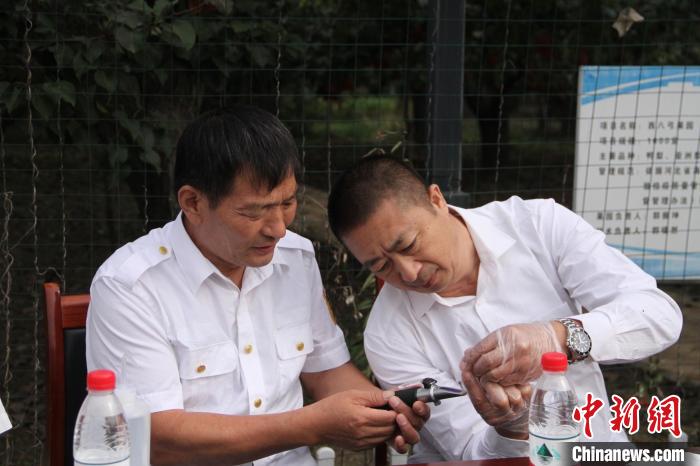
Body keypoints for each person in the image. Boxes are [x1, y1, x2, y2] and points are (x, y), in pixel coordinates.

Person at [86, 107, 429, 466]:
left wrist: (387, 410)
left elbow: (327, 371)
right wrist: (309, 426)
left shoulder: (295, 259)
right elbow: (155, 437)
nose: (278, 228)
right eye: (254, 212)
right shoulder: (130, 286)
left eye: (288, 203)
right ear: (193, 202)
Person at [327, 155, 683, 462]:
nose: (409, 273)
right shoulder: (389, 332)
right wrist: (510, 428)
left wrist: (559, 337)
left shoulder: (539, 226)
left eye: (408, 245)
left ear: (436, 199)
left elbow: (659, 315)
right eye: (381, 266)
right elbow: (468, 452)